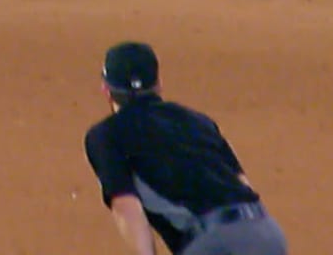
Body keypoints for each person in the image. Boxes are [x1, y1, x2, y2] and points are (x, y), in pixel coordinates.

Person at [84, 42, 290, 255]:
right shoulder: (198, 121)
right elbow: (242, 183)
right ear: (158, 84)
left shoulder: (106, 135)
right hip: (265, 232)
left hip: (212, 243)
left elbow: (126, 206)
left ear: (106, 91)